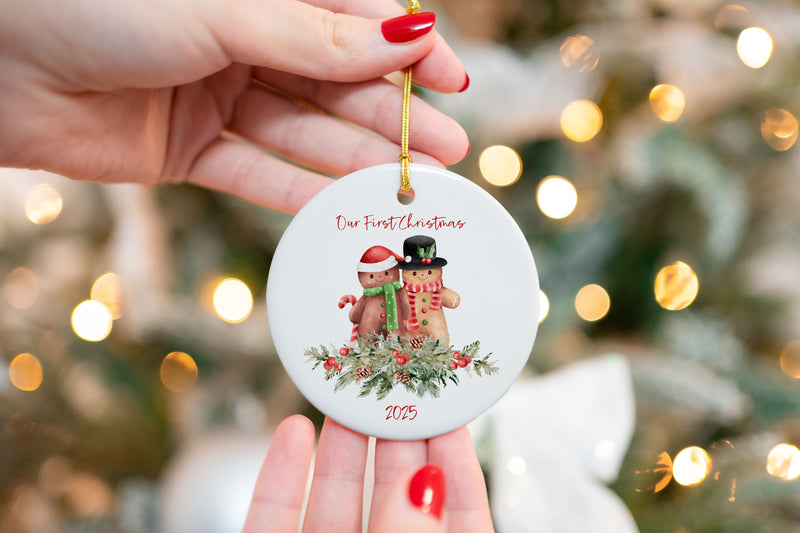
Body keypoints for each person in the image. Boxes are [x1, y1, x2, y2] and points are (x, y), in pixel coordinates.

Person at [0, 0, 489, 530]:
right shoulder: (382, 293)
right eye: (385, 276)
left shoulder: (417, 292)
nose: (401, 280)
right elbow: (364, 316)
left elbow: (440, 303)